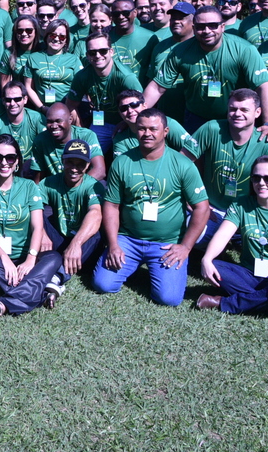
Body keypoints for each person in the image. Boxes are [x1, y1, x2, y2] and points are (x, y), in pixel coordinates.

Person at [93, 108, 211, 306]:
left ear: (165, 131)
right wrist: (113, 244)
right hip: (128, 239)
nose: (147, 133)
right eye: (141, 129)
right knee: (103, 285)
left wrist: (185, 247)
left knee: (169, 299)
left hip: (166, 243)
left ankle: (160, 270)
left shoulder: (182, 164)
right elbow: (112, 206)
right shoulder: (122, 162)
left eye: (153, 129)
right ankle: (135, 264)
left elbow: (202, 208)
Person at [196, 156, 268, 322]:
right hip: (248, 274)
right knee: (214, 266)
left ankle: (221, 302)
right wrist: (206, 258)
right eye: (256, 178)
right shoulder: (241, 205)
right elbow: (222, 235)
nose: (261, 183)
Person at [0, 135, 64, 317]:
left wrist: (30, 258)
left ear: (17, 161)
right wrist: (4, 258)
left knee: (54, 257)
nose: (4, 162)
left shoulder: (29, 186)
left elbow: (37, 226)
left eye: (10, 157)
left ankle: (7, 302)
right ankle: (40, 294)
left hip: (25, 258)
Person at [144, 6, 268, 133]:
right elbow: (157, 87)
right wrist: (137, 115)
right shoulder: (179, 52)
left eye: (213, 25)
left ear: (222, 27)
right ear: (194, 28)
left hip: (235, 117)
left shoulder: (244, 49)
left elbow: (263, 86)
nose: (207, 31)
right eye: (201, 27)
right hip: (196, 118)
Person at [191, 89, 268, 240]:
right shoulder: (212, 129)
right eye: (233, 109)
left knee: (266, 244)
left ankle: (239, 239)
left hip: (249, 213)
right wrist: (194, 201)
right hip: (212, 208)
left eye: (244, 109)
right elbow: (182, 163)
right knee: (197, 237)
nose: (237, 114)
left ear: (258, 112)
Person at [38, 139, 103, 305]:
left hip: (83, 245)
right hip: (60, 238)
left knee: (96, 232)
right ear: (63, 161)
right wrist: (42, 233)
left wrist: (76, 244)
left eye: (80, 164)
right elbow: (35, 210)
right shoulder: (48, 183)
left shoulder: (94, 186)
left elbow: (95, 213)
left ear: (88, 165)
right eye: (70, 162)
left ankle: (57, 276)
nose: (74, 168)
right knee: (39, 218)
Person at [111, 88, 201, 160]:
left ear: (145, 106)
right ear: (119, 113)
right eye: (124, 108)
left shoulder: (167, 123)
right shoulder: (120, 137)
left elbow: (193, 151)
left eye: (134, 105)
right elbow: (121, 167)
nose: (130, 111)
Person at [31, 102, 104, 180]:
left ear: (70, 119)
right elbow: (38, 177)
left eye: (58, 121)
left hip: (82, 186)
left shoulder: (86, 136)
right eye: (50, 122)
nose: (54, 126)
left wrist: (78, 189)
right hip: (53, 188)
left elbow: (99, 171)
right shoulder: (40, 140)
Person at [21, 18, 82, 112]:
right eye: (53, 35)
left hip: (68, 109)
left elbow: (80, 87)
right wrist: (42, 108)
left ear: (66, 40)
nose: (57, 39)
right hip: (42, 108)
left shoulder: (74, 59)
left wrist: (69, 108)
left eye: (62, 37)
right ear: (46, 36)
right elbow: (28, 87)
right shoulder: (34, 58)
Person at [0, 81, 44, 171]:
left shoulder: (37, 118)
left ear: (25, 99)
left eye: (17, 99)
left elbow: (45, 146)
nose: (12, 103)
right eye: (8, 100)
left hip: (33, 169)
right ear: (3, 101)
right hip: (6, 168)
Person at [107, 0, 153, 82]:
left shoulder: (149, 37)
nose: (121, 17)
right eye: (116, 14)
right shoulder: (105, 37)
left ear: (135, 13)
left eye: (126, 13)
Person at [0, 13, 39, 89]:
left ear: (36, 31)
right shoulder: (9, 53)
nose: (24, 34)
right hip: (18, 98)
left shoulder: (43, 50)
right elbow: (4, 84)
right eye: (19, 30)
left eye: (29, 30)